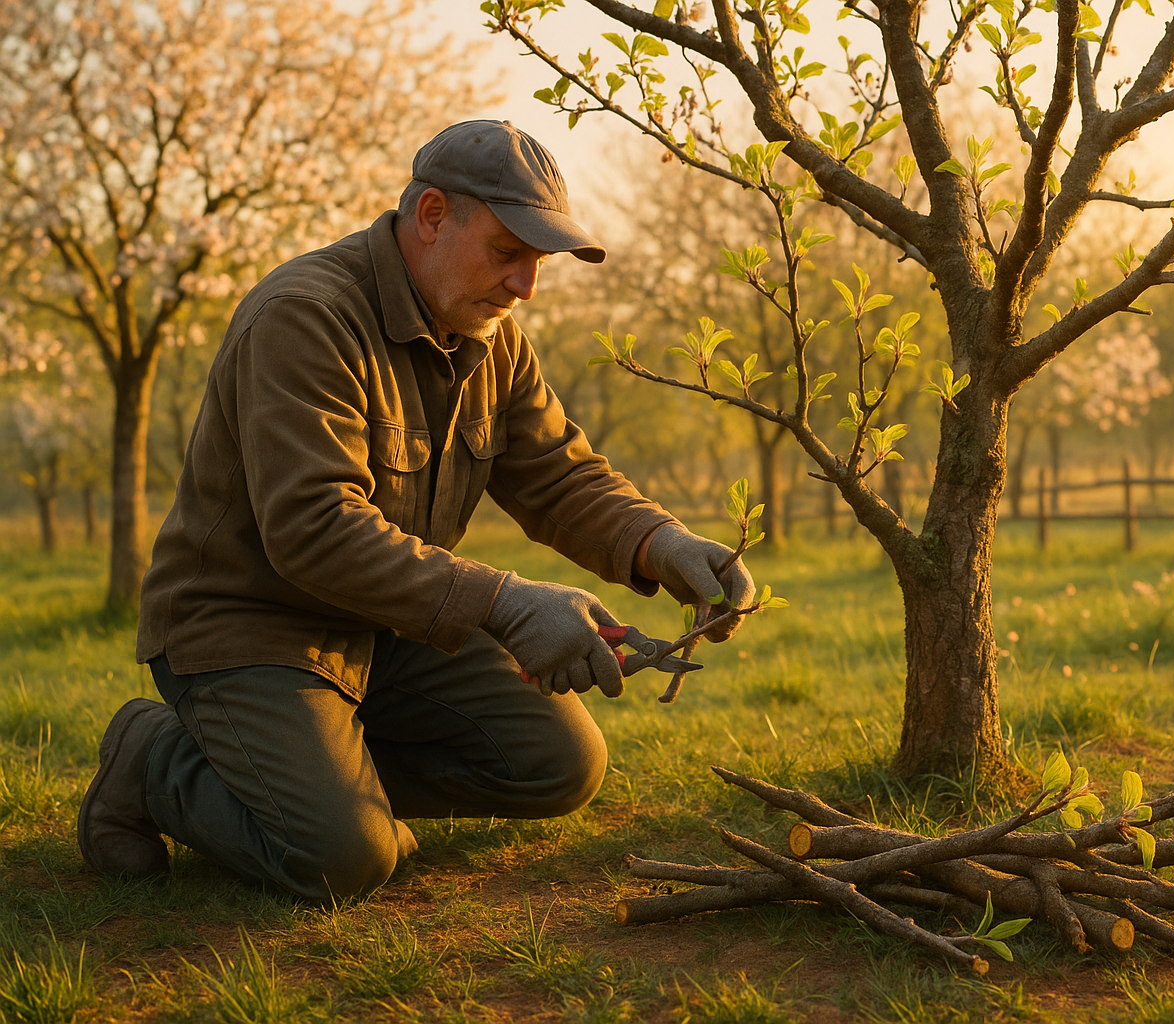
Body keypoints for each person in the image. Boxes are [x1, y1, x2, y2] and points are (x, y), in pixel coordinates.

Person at [76, 120, 753, 901]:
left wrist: (660, 543)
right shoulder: (305, 317)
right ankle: (151, 759)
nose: (525, 286)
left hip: (388, 624)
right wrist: (505, 603)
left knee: (559, 764)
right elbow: (313, 529)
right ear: (432, 216)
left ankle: (317, 782)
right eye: (507, 252)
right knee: (342, 861)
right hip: (249, 630)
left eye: (538, 262)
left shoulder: (490, 336)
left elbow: (558, 475)